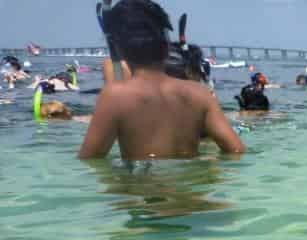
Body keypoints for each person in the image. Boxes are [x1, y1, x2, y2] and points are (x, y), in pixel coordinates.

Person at [78, 0, 244, 160]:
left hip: (139, 187)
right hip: (193, 188)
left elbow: (91, 159)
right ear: (166, 46)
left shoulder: (115, 96)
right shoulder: (200, 94)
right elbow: (236, 150)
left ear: (120, 49)